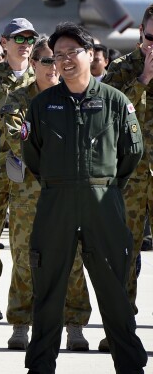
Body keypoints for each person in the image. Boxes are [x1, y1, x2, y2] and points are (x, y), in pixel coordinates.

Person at [23, 22, 147, 374]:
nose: (64, 60)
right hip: (56, 205)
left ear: (91, 54)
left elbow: (132, 152)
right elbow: (33, 155)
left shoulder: (115, 101)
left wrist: (102, 186)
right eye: (57, 55)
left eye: (72, 52)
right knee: (48, 291)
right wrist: (61, 184)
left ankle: (130, 365)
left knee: (114, 291)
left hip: (103, 204)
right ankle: (40, 366)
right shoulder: (43, 105)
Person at [0, 38, 91, 351]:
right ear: (33, 64)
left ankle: (75, 325)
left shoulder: (75, 96)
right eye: (47, 61)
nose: (54, 67)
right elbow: (16, 139)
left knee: (73, 259)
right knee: (24, 259)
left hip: (67, 194)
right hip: (28, 195)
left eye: (57, 60)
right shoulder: (18, 98)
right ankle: (20, 324)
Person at [0, 17, 38, 323]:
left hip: (30, 175)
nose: (25, 45)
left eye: (30, 40)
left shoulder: (42, 77)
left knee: (25, 241)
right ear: (4, 42)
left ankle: (26, 301)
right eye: (19, 39)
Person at [102, 4, 153, 320]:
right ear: (141, 33)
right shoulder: (121, 68)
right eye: (151, 37)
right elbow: (109, 116)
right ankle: (120, 326)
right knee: (123, 254)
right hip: (129, 178)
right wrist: (143, 78)